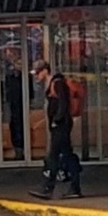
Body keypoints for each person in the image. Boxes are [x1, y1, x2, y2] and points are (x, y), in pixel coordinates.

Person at [33, 58, 84, 199]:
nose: (36, 76)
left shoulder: (57, 83)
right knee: (67, 155)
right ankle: (74, 187)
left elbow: (63, 104)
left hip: (61, 125)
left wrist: (56, 120)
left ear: (45, 71)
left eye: (38, 72)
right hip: (60, 125)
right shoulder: (53, 83)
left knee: (54, 156)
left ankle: (48, 187)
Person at [2, 48, 25, 158]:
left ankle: (21, 148)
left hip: (20, 100)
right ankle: (17, 147)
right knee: (13, 123)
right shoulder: (8, 71)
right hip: (12, 101)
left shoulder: (22, 73)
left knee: (20, 123)